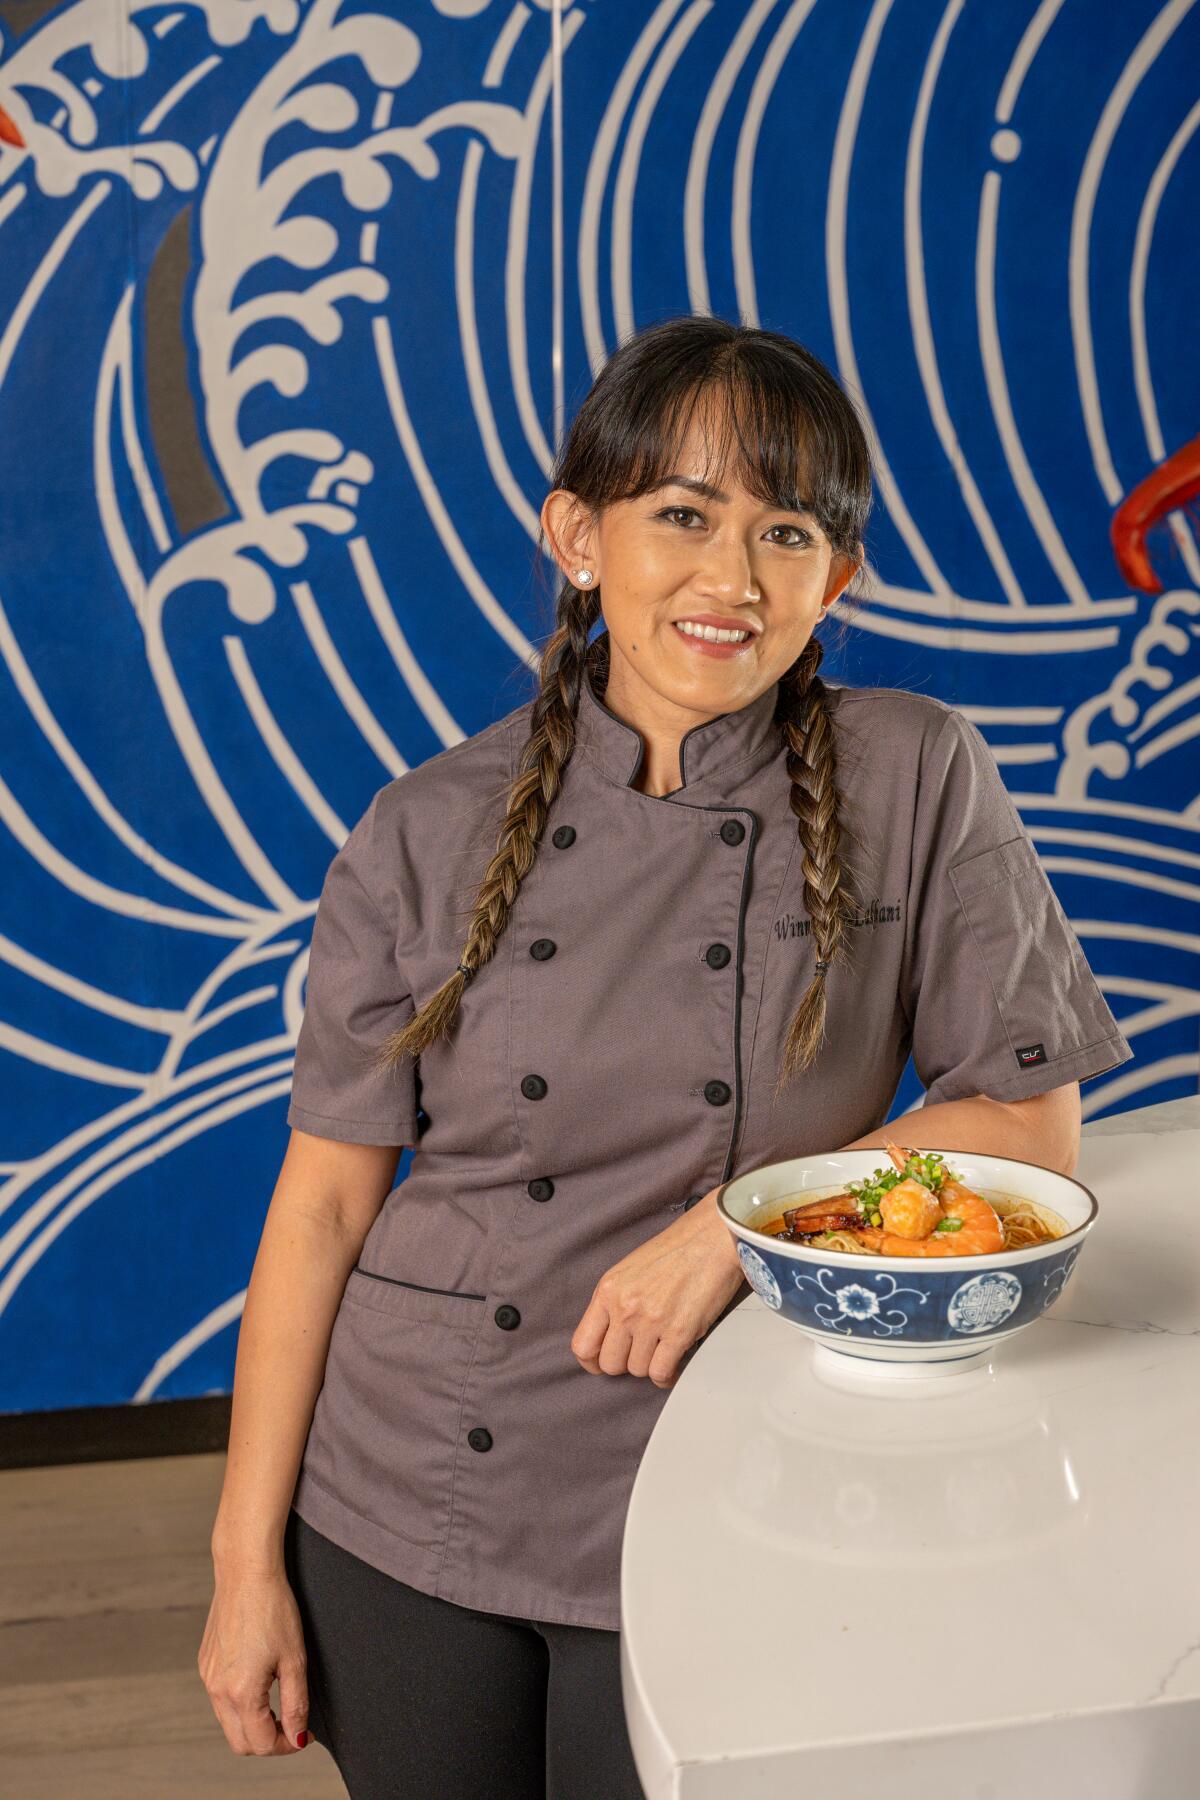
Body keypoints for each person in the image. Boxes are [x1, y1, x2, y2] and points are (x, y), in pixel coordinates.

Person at [198, 315, 1133, 1796]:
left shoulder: (915, 770)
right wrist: (244, 1561)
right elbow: (320, 1207)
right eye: (682, 515)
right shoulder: (426, 824)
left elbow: (1024, 1122)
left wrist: (731, 1229)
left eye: (785, 532)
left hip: (731, 1471)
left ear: (838, 582)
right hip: (410, 1481)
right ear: (581, 536)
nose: (733, 577)